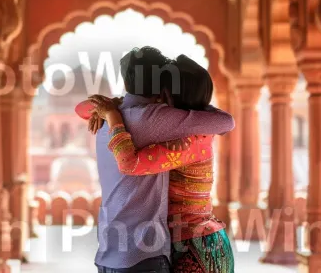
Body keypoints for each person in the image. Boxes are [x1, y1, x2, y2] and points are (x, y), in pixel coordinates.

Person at [79, 47, 234, 273]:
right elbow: (226, 122)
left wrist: (113, 109)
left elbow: (127, 161)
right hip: (160, 251)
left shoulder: (106, 119)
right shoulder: (166, 124)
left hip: (116, 252)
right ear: (161, 89)